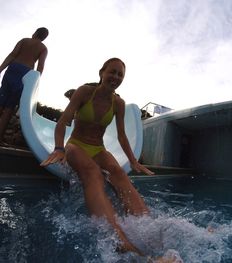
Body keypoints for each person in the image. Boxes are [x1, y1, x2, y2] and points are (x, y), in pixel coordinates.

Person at [41, 58, 155, 255]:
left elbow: (121, 135)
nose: (116, 77)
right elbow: (63, 121)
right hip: (76, 145)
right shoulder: (84, 92)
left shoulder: (118, 103)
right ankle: (117, 239)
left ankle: (146, 226)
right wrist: (59, 148)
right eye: (112, 72)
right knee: (93, 173)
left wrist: (134, 161)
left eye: (120, 75)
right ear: (102, 72)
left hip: (99, 148)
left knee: (118, 172)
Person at [0, 27, 49, 144]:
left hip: (12, 69)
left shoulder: (24, 40)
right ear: (44, 37)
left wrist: (1, 69)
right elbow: (40, 67)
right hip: (25, 75)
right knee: (9, 108)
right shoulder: (43, 48)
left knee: (1, 102)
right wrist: (34, 83)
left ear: (35, 33)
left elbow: (12, 55)